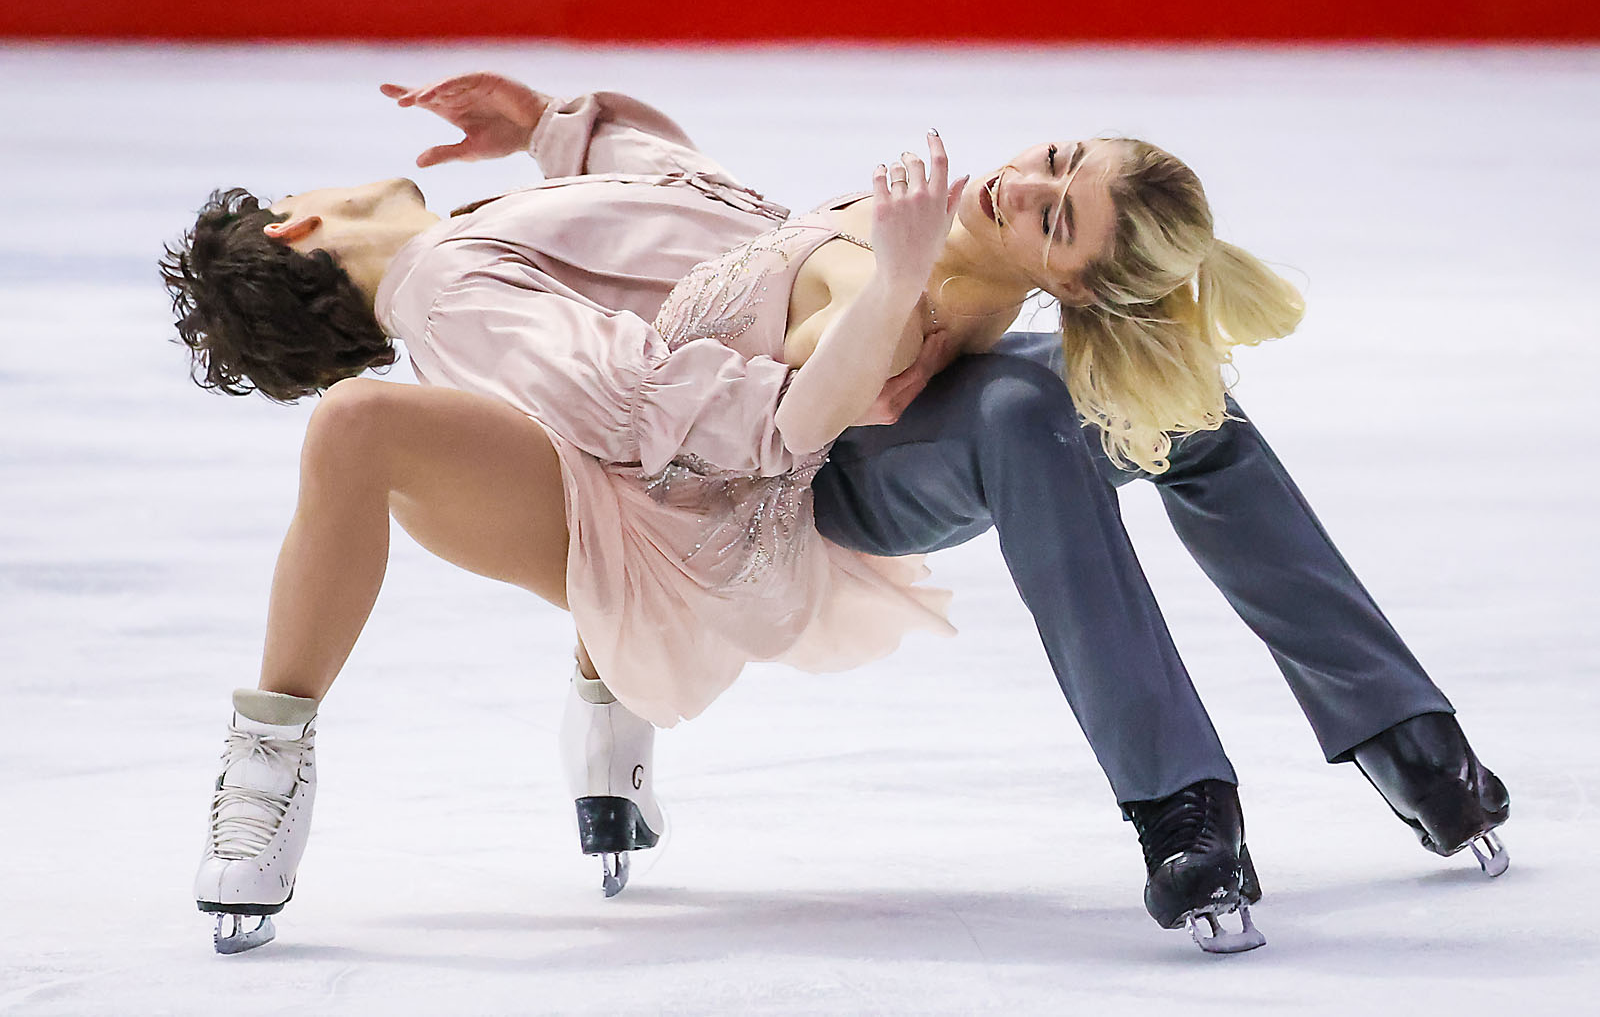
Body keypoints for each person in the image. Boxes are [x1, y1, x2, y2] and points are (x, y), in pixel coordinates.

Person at [163, 73, 1506, 955]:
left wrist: (541, 121)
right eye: (1049, 180)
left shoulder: (491, 222)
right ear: (297, 228)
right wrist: (886, 296)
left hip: (767, 433)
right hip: (764, 491)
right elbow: (674, 436)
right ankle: (1184, 809)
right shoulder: (452, 284)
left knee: (1179, 404)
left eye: (1055, 178)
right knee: (1033, 412)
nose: (1024, 179)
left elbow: (675, 196)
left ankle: (1403, 732)